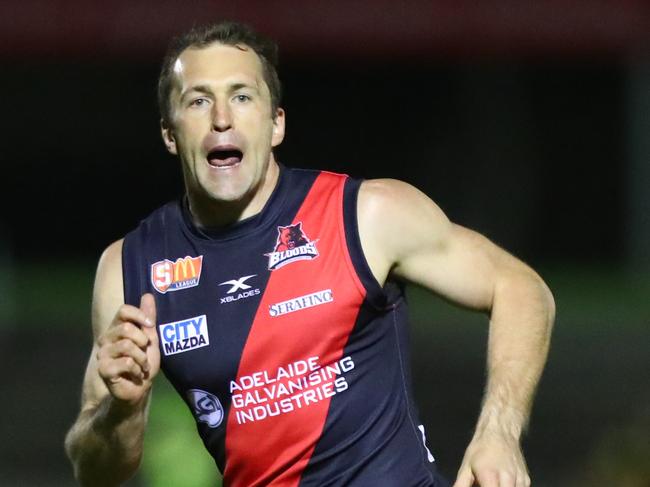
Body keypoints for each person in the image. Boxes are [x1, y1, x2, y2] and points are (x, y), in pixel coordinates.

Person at [64, 20, 555, 487]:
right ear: (171, 134)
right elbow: (96, 469)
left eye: (241, 96)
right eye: (198, 101)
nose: (221, 118)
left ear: (276, 124)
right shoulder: (129, 270)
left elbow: (520, 288)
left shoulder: (364, 215)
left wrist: (499, 433)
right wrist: (121, 411)